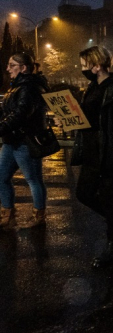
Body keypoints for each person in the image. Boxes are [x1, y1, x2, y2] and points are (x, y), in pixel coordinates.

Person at [71, 46, 113, 267]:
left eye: (84, 65)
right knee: (84, 193)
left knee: (109, 199)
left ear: (97, 66)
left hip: (112, 154)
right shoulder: (91, 88)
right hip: (93, 153)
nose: (82, 69)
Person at [0, 52, 50, 229]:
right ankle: (7, 215)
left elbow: (20, 114)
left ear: (24, 68)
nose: (7, 69)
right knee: (1, 177)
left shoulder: (29, 88)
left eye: (12, 65)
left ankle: (39, 216)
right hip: (11, 140)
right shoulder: (17, 86)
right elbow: (9, 111)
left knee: (33, 179)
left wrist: (2, 127)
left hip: (25, 141)